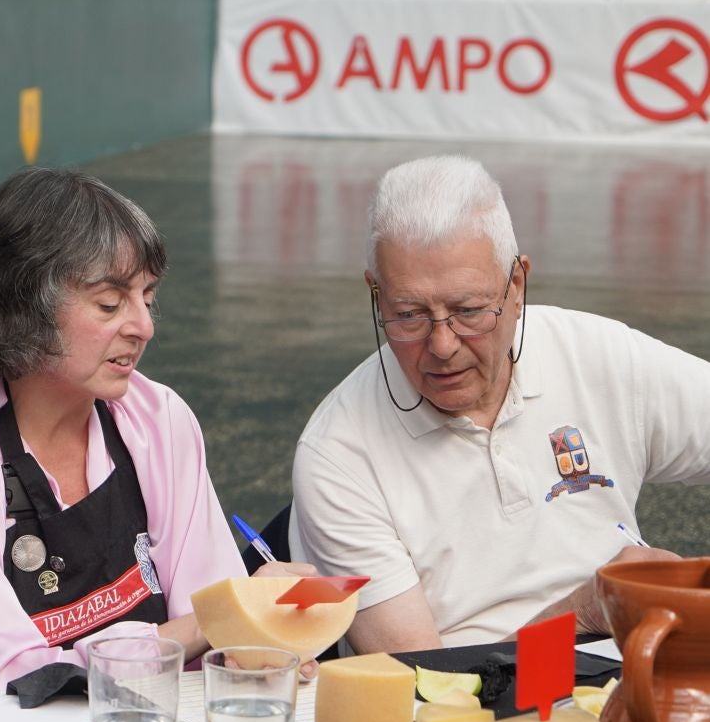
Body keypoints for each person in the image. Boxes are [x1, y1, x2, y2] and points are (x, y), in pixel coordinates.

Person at [0, 168, 312, 692]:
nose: (144, 326)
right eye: (110, 304)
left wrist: (256, 647)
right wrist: (214, 624)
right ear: (24, 305)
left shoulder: (160, 419)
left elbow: (214, 620)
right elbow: (14, 684)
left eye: (147, 299)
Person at [289, 155, 710, 653]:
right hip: (482, 696)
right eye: (409, 315)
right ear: (376, 296)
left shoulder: (597, 355)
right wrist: (582, 613)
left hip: (636, 663)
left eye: (468, 311)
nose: (442, 345)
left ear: (517, 286)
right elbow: (419, 681)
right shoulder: (339, 453)